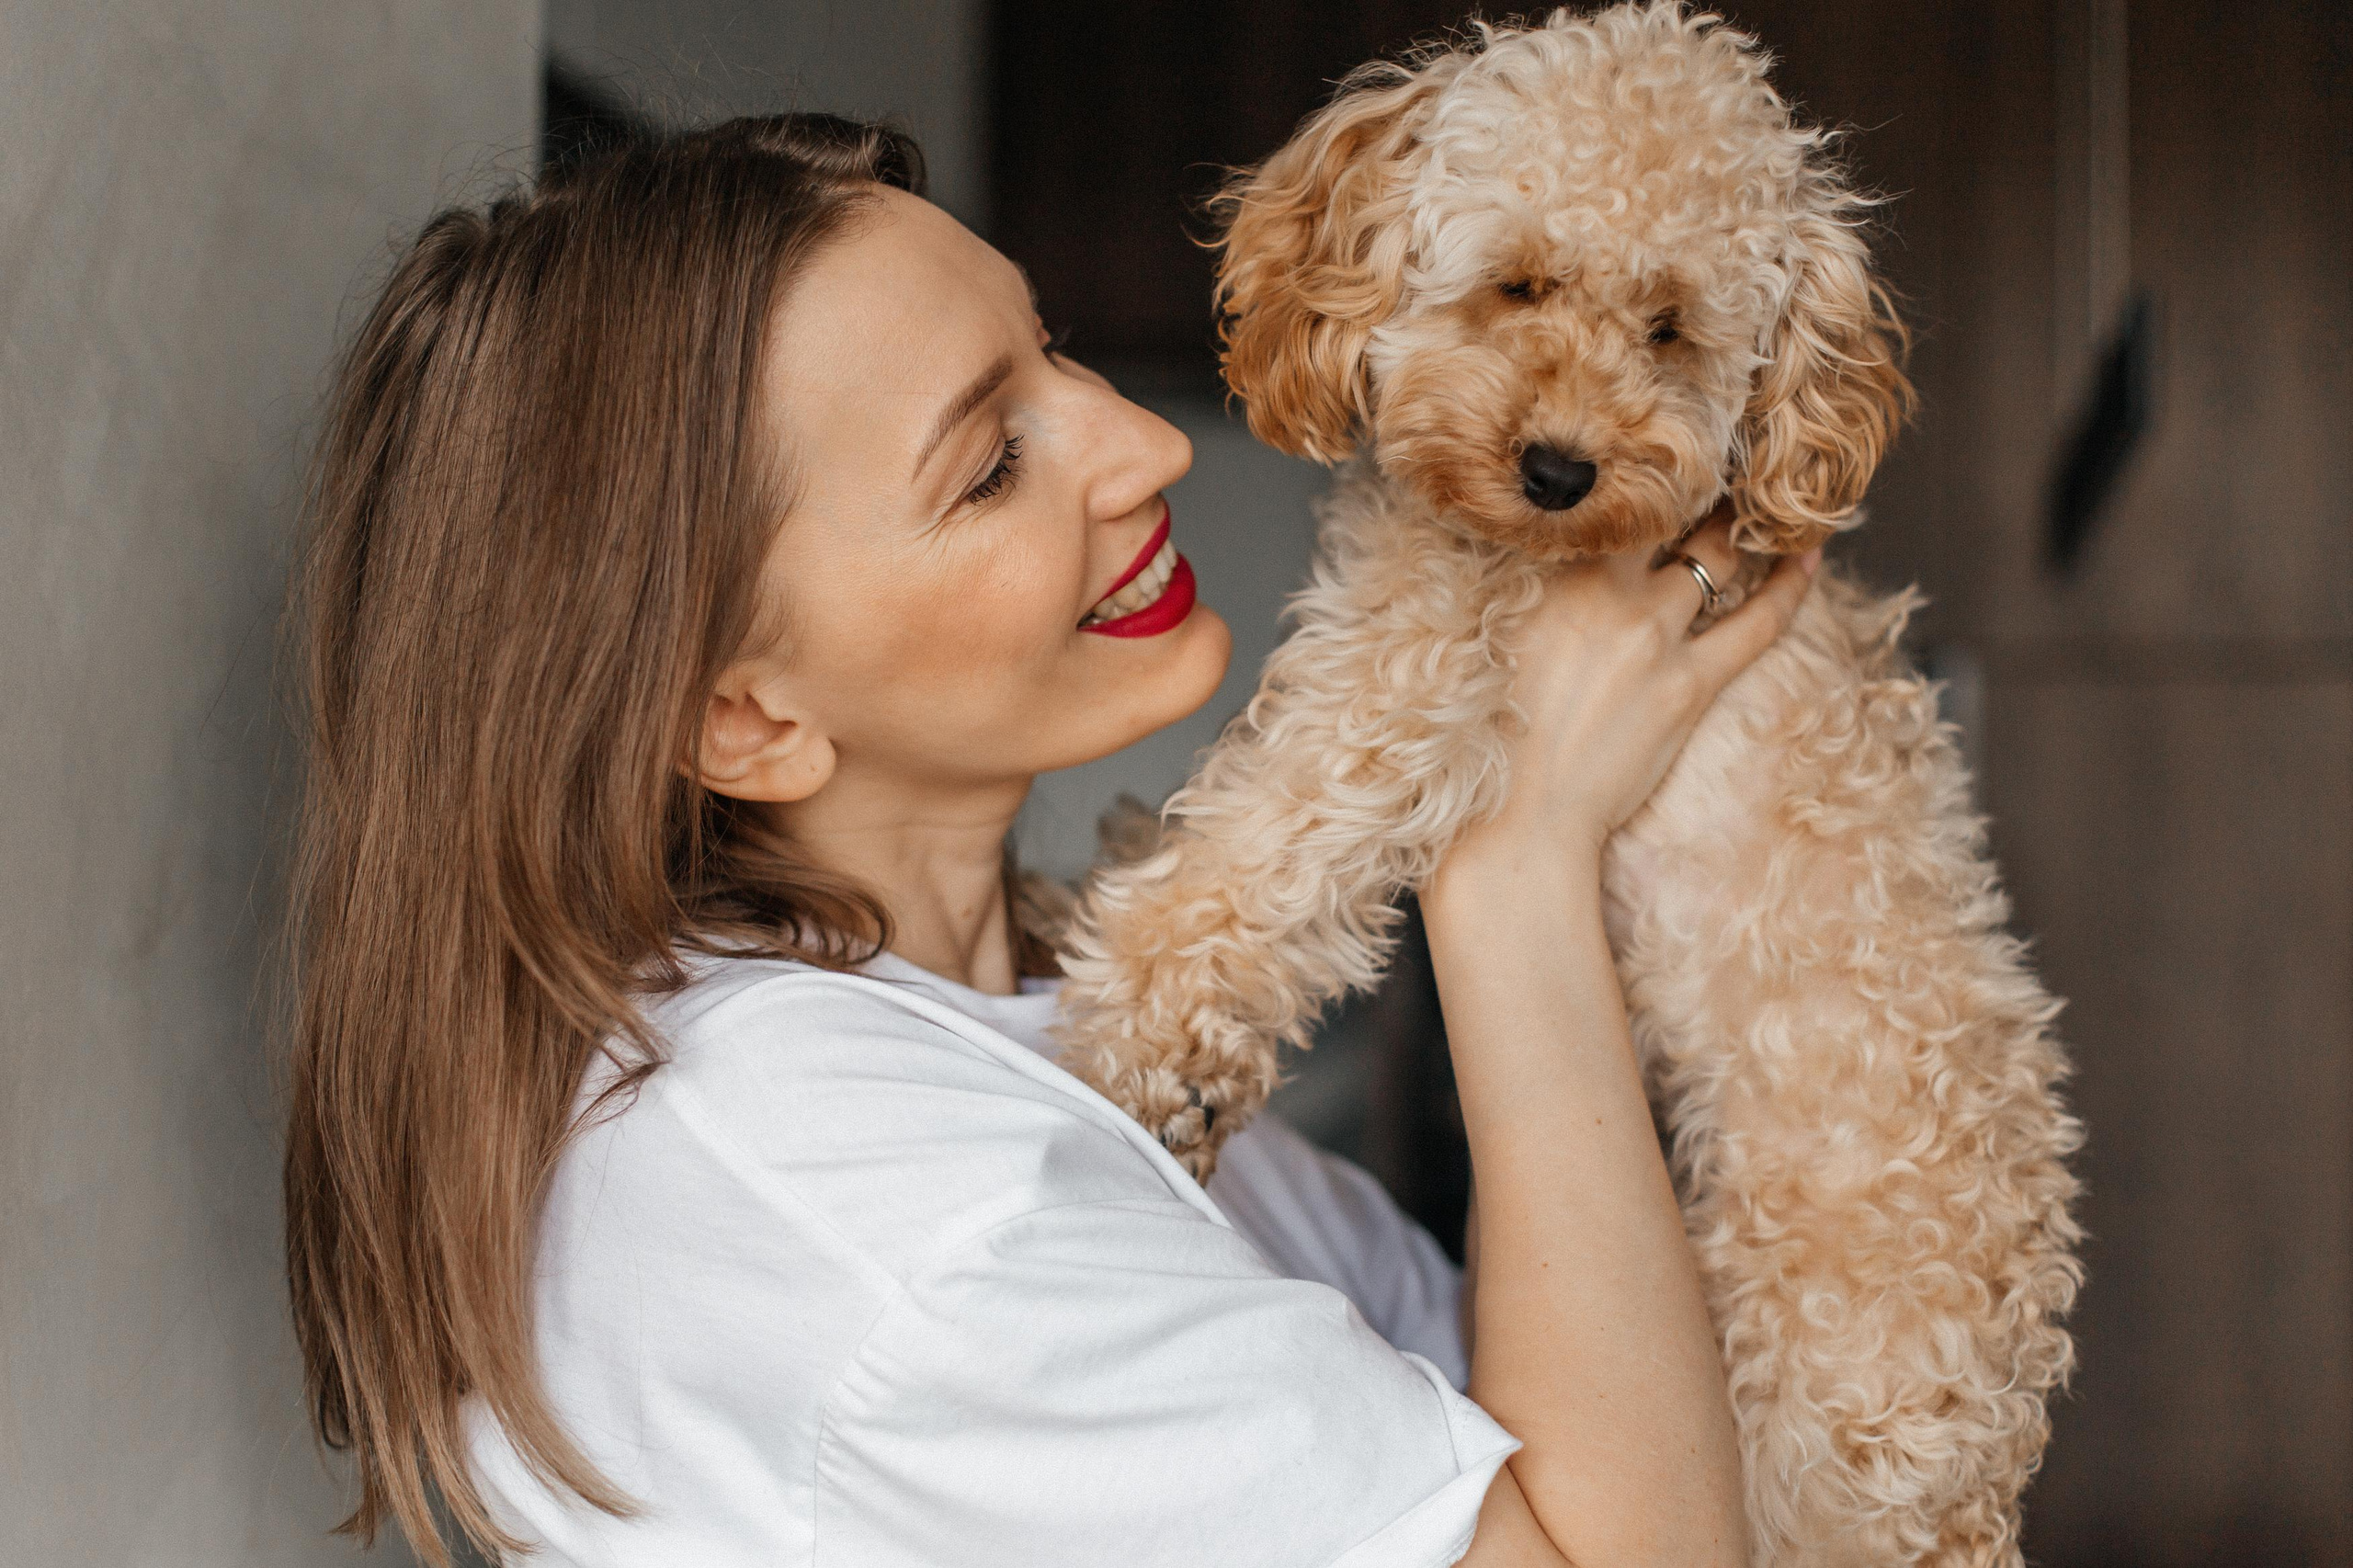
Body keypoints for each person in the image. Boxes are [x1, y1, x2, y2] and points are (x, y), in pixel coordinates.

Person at [282, 115, 1817, 1568]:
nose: (1145, 444)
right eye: (991, 464)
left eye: (1053, 348)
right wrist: (1515, 844)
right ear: (744, 718)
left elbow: (1555, 1416)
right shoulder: (878, 1212)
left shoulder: (1046, 1046)